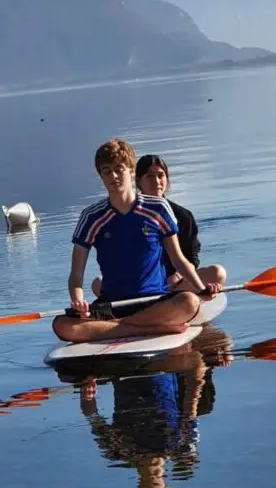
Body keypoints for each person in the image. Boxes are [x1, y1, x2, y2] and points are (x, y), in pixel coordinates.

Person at [52, 138, 220, 345]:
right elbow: (76, 275)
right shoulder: (91, 217)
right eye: (107, 171)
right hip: (112, 303)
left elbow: (178, 260)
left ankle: (114, 329)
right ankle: (152, 327)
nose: (113, 176)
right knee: (61, 325)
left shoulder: (158, 208)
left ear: (131, 171)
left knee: (190, 301)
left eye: (119, 169)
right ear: (101, 177)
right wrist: (77, 299)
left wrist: (201, 287)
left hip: (154, 301)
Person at [92, 153, 226, 298]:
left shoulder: (183, 216)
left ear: (167, 180)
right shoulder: (127, 215)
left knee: (217, 272)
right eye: (149, 176)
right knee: (98, 283)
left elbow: (191, 258)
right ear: (138, 181)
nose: (156, 181)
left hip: (176, 283)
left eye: (161, 175)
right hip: (139, 285)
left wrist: (176, 277)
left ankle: (175, 301)